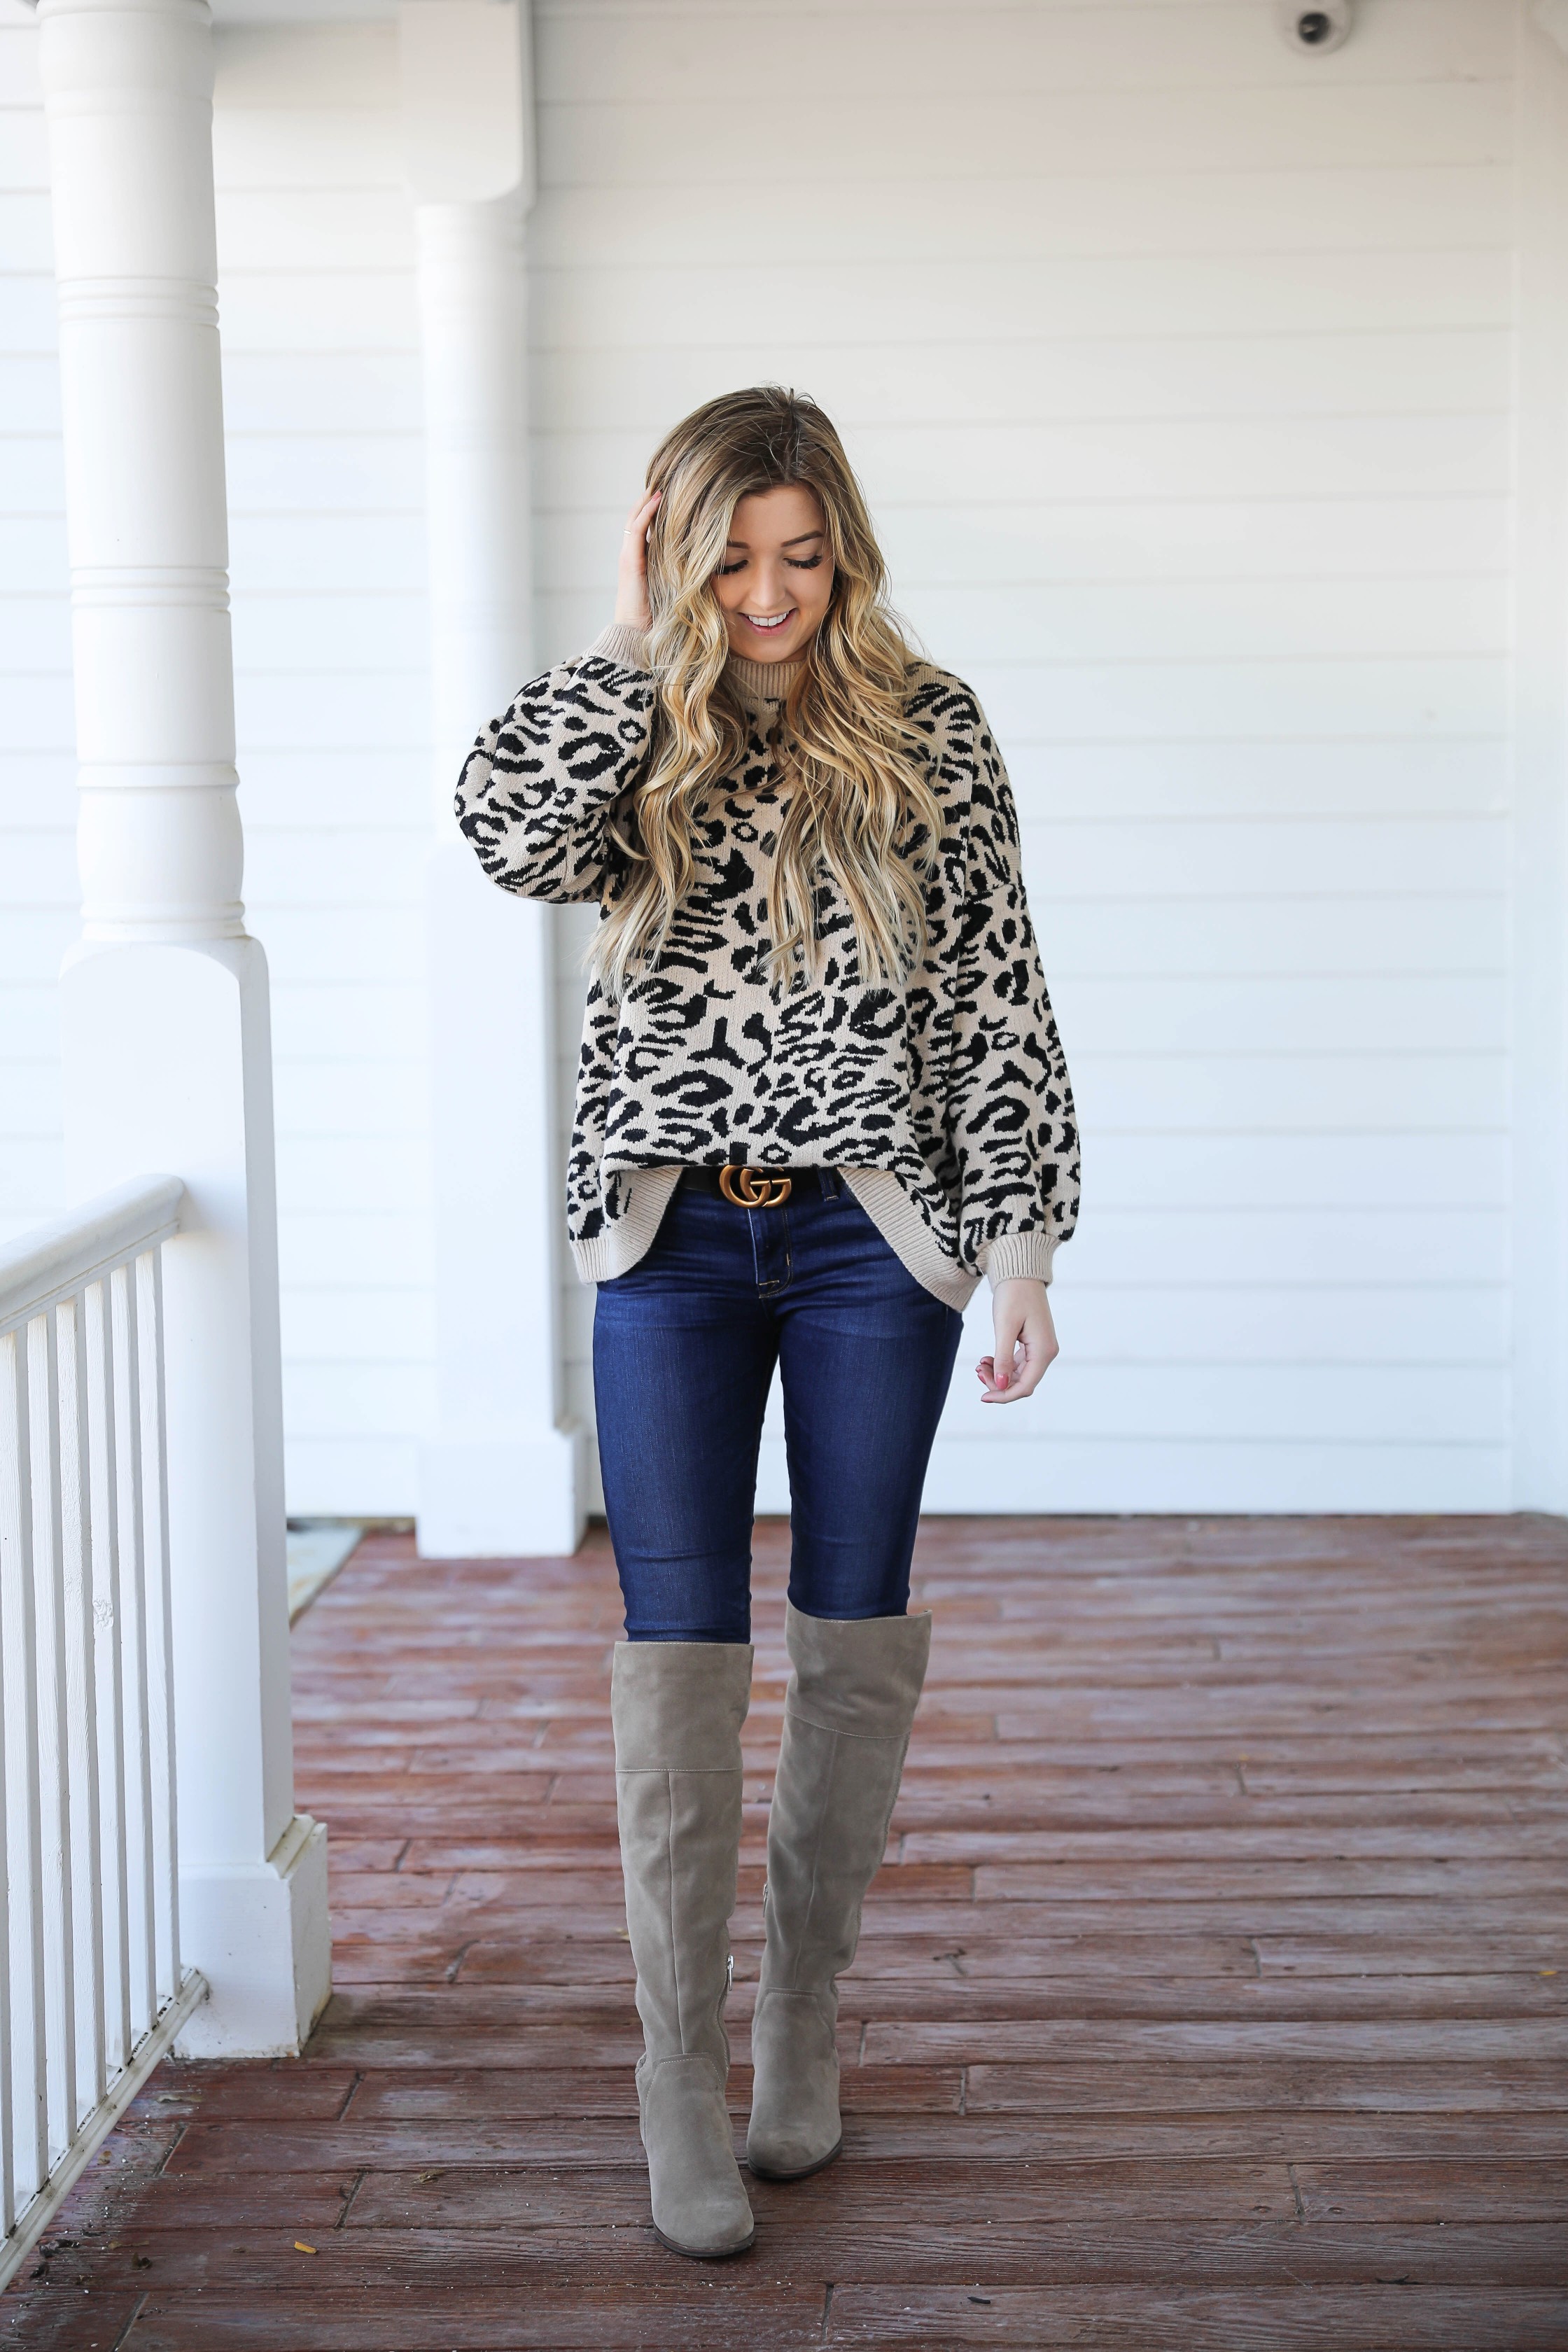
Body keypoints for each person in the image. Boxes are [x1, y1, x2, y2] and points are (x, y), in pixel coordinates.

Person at [456, 387, 1079, 2259]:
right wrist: (629, 621)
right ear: (680, 552)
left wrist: (1027, 1248)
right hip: (666, 1246)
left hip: (874, 1244)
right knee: (676, 1646)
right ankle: (676, 2080)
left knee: (856, 1625)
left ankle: (799, 2029)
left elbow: (994, 996)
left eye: (801, 558)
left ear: (847, 552)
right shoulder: (635, 721)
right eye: (732, 561)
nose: (773, 597)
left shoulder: (929, 726)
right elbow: (501, 829)